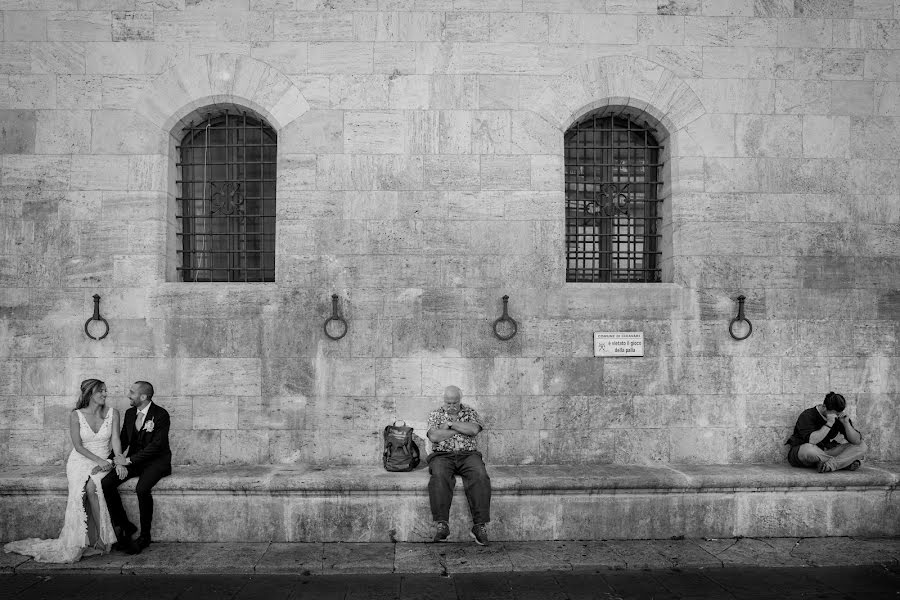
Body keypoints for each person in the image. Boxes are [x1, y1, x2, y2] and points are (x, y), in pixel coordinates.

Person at [4, 379, 123, 563]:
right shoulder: (76, 415)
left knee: (94, 488)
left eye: (106, 391)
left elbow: (115, 438)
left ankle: (103, 539)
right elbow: (78, 446)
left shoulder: (113, 413)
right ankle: (82, 541)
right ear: (90, 393)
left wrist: (119, 459)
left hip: (104, 460)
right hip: (80, 460)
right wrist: (98, 460)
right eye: (101, 391)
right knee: (79, 493)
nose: (105, 394)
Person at [101, 381, 171, 554]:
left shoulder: (161, 414)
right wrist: (112, 461)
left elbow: (156, 446)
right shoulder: (131, 413)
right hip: (134, 461)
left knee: (142, 489)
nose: (128, 395)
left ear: (143, 396)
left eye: (132, 392)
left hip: (157, 462)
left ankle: (145, 537)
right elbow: (124, 440)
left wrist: (129, 460)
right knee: (107, 483)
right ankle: (126, 526)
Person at [426, 385, 491, 546]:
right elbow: (434, 436)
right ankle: (442, 525)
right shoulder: (435, 414)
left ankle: (479, 526)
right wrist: (461, 428)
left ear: (460, 400)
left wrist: (448, 425)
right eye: (448, 403)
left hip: (468, 455)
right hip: (442, 455)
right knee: (439, 476)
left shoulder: (470, 412)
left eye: (454, 402)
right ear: (444, 400)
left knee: (480, 475)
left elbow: (474, 429)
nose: (451, 406)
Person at [785, 391, 867, 473]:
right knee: (809, 450)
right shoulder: (807, 415)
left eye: (838, 413)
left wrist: (846, 423)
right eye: (834, 413)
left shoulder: (840, 417)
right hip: (803, 452)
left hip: (826, 451)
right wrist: (829, 423)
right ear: (824, 407)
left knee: (862, 446)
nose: (837, 416)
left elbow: (856, 441)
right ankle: (844, 463)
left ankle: (829, 465)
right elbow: (812, 440)